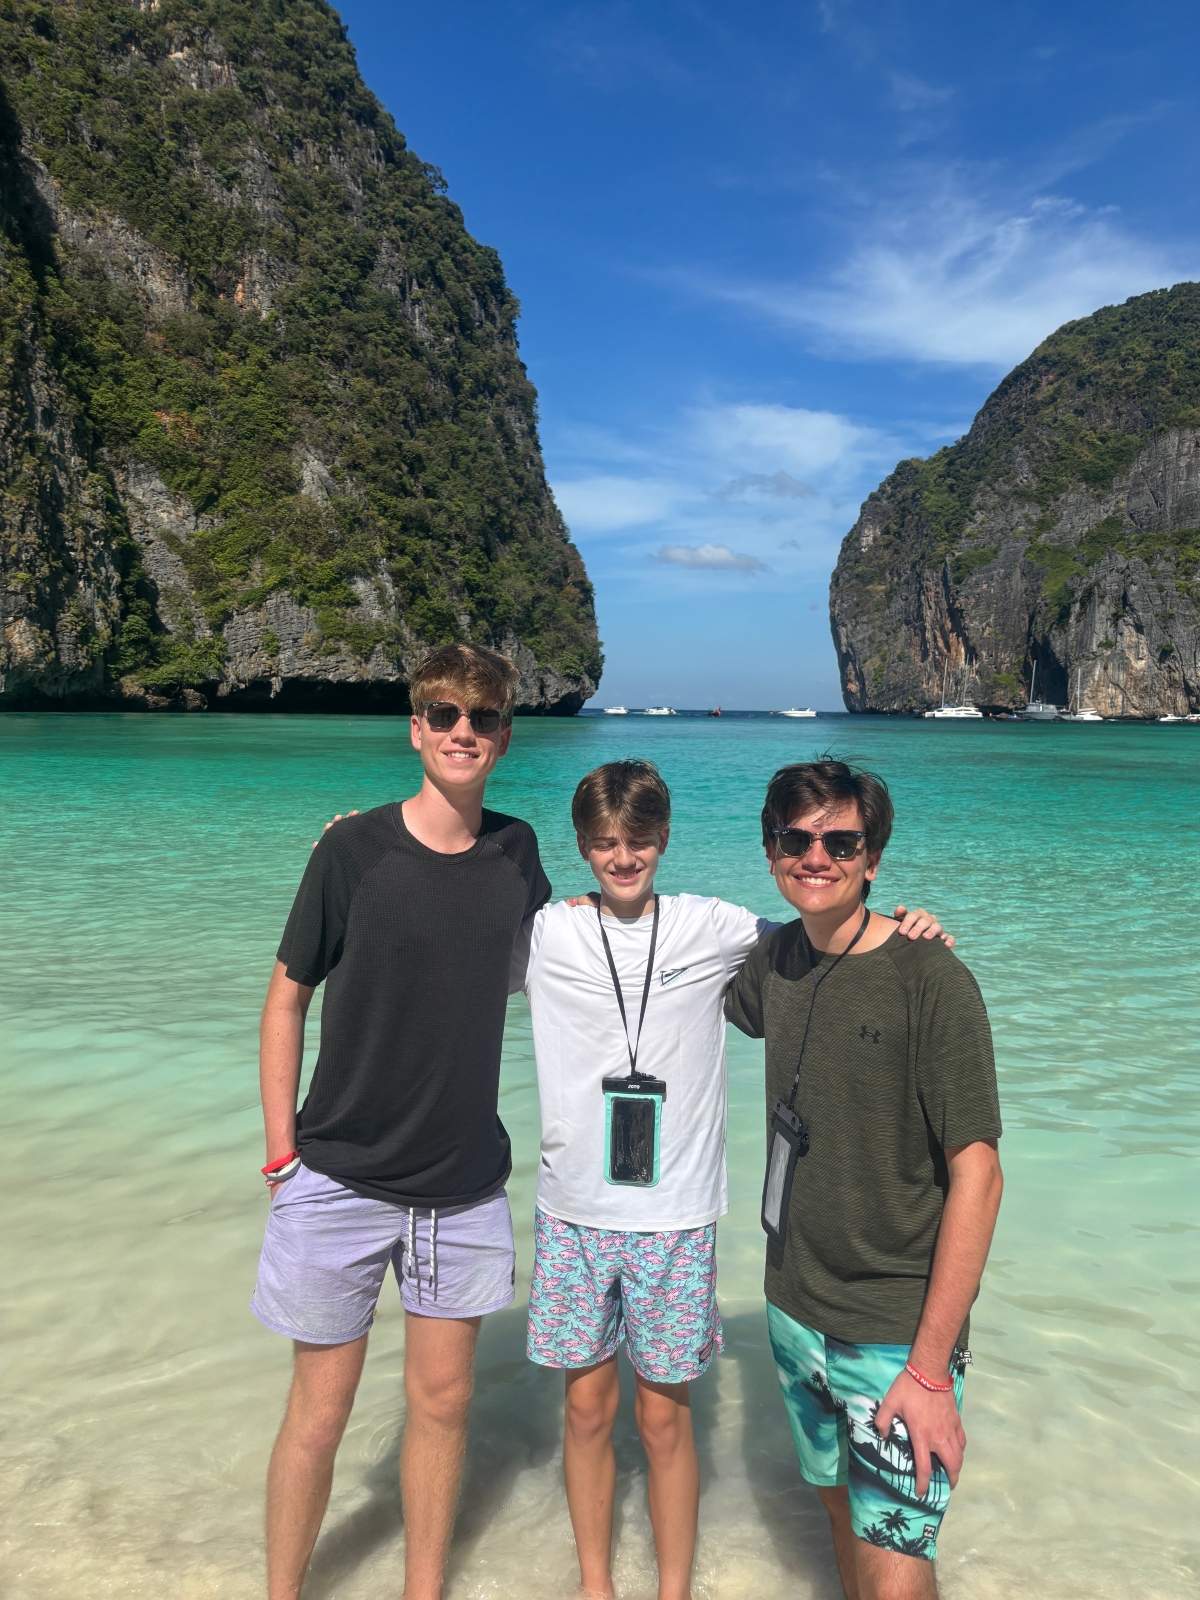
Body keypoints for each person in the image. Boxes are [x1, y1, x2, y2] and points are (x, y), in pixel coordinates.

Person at [512, 759, 951, 1600]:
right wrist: (353, 849)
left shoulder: (713, 927)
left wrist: (907, 923)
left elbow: (827, 930)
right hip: (571, 1212)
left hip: (676, 1217)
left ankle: (674, 1588)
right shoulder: (547, 933)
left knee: (664, 1418)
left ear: (665, 839)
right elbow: (441, 937)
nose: (622, 857)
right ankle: (595, 1585)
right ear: (580, 846)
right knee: (585, 1413)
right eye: (603, 843)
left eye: (638, 840)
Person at [250, 643, 550, 1600]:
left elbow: (597, 944)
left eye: (484, 719)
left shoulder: (519, 852)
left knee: (444, 1406)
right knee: (319, 1414)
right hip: (335, 1175)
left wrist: (863, 928)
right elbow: (287, 999)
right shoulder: (353, 850)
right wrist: (280, 1157)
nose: (465, 732)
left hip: (460, 1187)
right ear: (416, 728)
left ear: (504, 738)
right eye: (446, 716)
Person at [724, 760, 1003, 1600]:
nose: (817, 857)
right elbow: (642, 943)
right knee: (843, 1518)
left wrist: (926, 1373)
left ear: (872, 857)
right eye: (796, 839)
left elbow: (979, 1178)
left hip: (893, 1332)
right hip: (792, 1307)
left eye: (841, 841)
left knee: (896, 1569)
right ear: (770, 849)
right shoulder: (771, 962)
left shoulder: (932, 979)